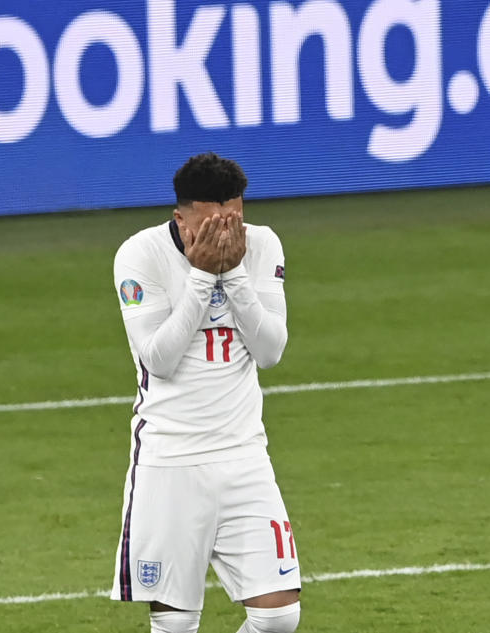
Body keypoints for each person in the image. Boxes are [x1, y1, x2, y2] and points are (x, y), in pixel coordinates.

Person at [110, 152, 300, 633]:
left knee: (278, 617)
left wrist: (233, 273)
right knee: (175, 628)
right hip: (170, 461)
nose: (225, 233)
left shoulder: (260, 245)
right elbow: (159, 359)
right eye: (212, 223)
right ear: (180, 217)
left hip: (244, 455)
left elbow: (271, 350)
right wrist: (201, 276)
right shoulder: (140, 255)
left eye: (234, 219)